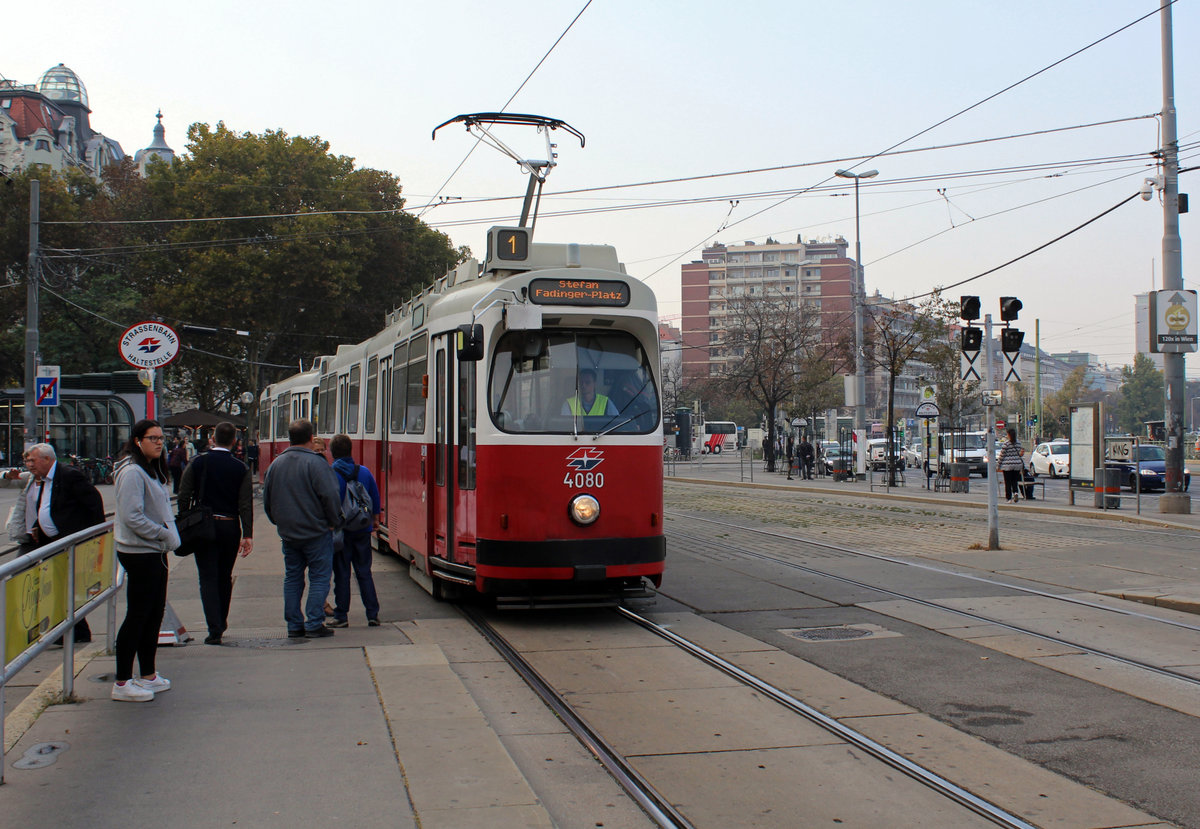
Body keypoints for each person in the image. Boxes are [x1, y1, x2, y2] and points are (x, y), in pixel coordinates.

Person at [111, 420, 179, 702]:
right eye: (153, 438)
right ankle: (122, 681)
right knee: (138, 615)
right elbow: (132, 516)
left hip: (154, 551)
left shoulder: (150, 470)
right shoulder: (132, 472)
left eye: (162, 438)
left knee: (153, 614)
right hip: (140, 551)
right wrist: (162, 534)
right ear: (138, 440)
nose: (160, 443)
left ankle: (148, 673)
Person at [15, 443, 105, 644]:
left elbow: (94, 503)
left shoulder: (69, 475)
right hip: (49, 540)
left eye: (33, 460)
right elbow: (46, 505)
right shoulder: (44, 478)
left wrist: (94, 535)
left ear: (47, 459)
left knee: (66, 586)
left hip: (68, 540)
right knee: (57, 586)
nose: (30, 464)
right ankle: (65, 630)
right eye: (27, 460)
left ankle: (75, 631)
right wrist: (39, 525)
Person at [263, 419, 342, 639]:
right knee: (319, 577)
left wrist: (278, 521)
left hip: (289, 533)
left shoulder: (276, 464)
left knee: (293, 577)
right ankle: (314, 622)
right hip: (316, 531)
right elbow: (330, 496)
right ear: (310, 438)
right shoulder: (317, 464)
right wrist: (333, 521)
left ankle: (294, 625)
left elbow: (267, 500)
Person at [178, 421, 254, 645]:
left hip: (204, 527)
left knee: (207, 577)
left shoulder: (198, 462)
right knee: (224, 576)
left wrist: (187, 517)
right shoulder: (241, 468)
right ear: (234, 442)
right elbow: (245, 503)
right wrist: (247, 533)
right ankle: (222, 619)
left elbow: (183, 494)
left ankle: (214, 628)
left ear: (212, 438)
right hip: (230, 526)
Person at [327, 434, 381, 628]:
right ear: (351, 450)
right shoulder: (364, 472)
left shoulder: (332, 473)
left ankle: (341, 615)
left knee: (342, 574)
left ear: (332, 452)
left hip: (342, 531)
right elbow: (374, 496)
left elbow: (331, 501)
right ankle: (372, 613)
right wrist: (374, 520)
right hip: (362, 529)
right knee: (364, 571)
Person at [998, 428, 1026, 503]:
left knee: (1008, 482)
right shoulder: (1018, 443)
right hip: (1017, 465)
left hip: (1007, 465)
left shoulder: (1006, 444)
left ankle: (1009, 498)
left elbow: (1002, 455)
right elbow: (1019, 453)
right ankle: (1016, 492)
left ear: (1009, 435)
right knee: (1014, 481)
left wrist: (998, 465)